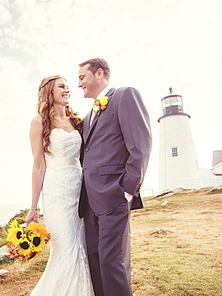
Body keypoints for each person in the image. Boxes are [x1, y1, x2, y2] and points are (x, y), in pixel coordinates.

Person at [78, 58, 152, 296]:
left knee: (113, 264)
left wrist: (127, 190)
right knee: (96, 262)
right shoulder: (88, 117)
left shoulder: (125, 96)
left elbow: (140, 145)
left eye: (82, 77)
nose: (79, 84)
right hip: (89, 202)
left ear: (99, 73)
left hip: (114, 196)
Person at [25, 75, 94, 296]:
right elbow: (38, 166)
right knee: (64, 246)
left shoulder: (78, 121)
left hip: (79, 186)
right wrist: (33, 207)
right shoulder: (39, 122)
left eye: (67, 86)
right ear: (49, 92)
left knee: (81, 243)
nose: (67, 89)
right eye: (61, 87)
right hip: (56, 189)